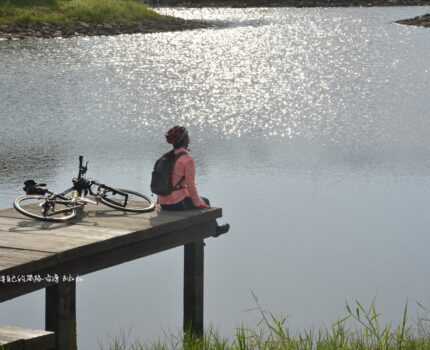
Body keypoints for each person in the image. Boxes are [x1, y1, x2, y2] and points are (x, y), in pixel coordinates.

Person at [158, 125, 229, 236]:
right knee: (205, 201)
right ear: (186, 140)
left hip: (162, 203)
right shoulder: (187, 160)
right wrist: (199, 203)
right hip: (175, 204)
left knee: (201, 201)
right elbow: (191, 186)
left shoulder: (166, 157)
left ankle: (205, 233)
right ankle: (214, 230)